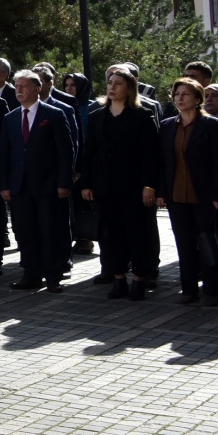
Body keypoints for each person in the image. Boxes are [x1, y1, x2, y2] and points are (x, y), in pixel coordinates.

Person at [80, 64, 160, 301]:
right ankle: (118, 279)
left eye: (118, 84)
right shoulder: (97, 116)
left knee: (136, 232)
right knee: (111, 234)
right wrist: (87, 183)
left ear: (129, 88)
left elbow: (151, 154)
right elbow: (89, 151)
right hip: (105, 184)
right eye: (110, 83)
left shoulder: (141, 115)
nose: (112, 87)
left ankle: (139, 279)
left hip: (133, 185)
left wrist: (150, 185)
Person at [0, 70, 77, 292]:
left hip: (48, 186)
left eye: (23, 86)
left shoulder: (53, 114)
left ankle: (52, 276)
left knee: (50, 230)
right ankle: (31, 274)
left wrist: (63, 182)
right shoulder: (10, 118)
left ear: (37, 88)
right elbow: (4, 153)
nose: (19, 90)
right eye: (17, 86)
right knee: (25, 231)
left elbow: (65, 151)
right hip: (20, 187)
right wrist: (4, 184)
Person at [158, 76, 218, 306]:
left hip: (204, 196)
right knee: (184, 243)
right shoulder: (168, 125)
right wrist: (161, 191)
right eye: (176, 94)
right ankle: (188, 289)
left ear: (197, 99)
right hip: (176, 195)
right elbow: (162, 162)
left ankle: (212, 289)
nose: (179, 99)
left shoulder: (212, 125)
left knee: (207, 242)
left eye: (185, 94)